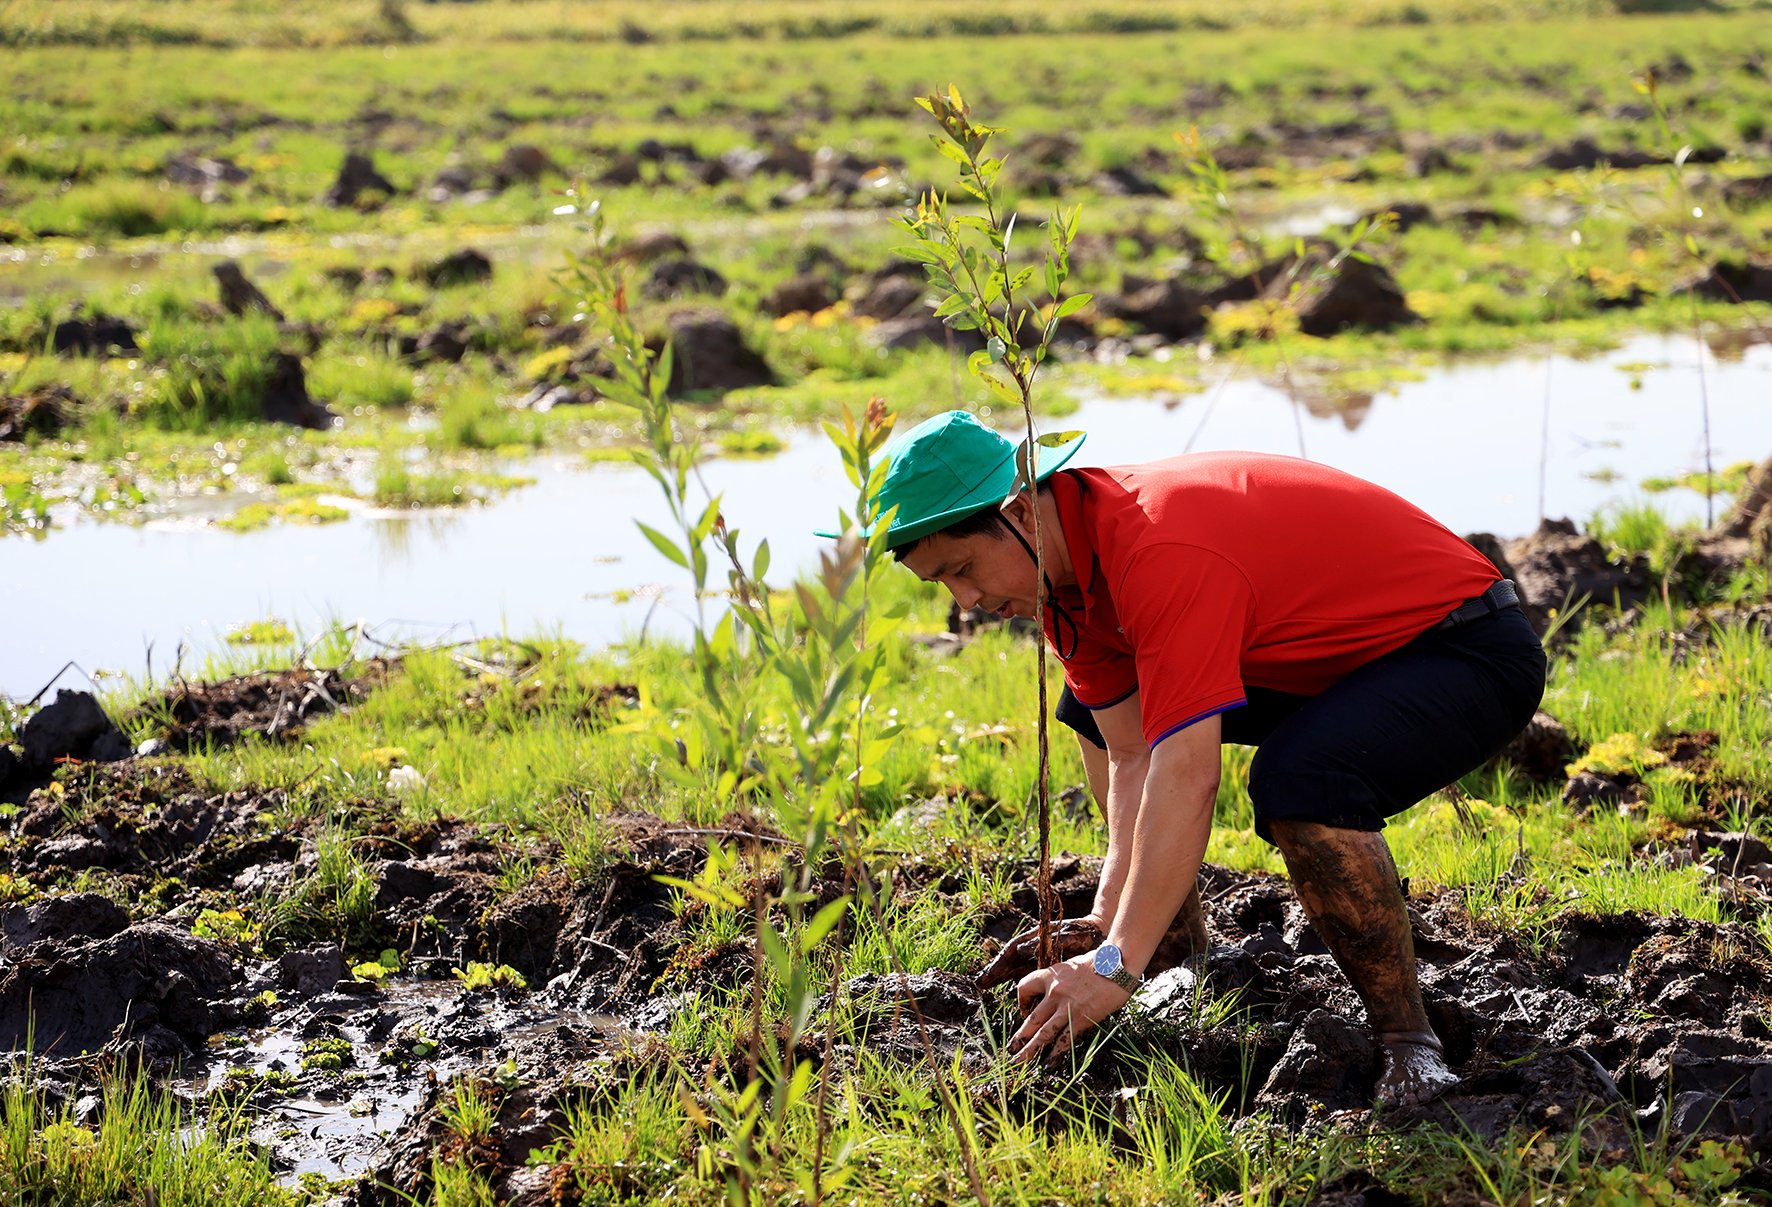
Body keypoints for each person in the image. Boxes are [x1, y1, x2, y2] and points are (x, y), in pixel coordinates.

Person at [842, 409, 1546, 1107]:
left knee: (1302, 781)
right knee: (1087, 708)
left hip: (1464, 649)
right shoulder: (1061, 580)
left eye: (963, 568)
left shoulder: (1155, 548)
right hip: (1332, 662)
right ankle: (1170, 938)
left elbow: (1187, 771)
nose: (966, 602)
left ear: (1020, 510)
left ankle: (1409, 1043)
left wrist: (1115, 966)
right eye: (941, 585)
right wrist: (1109, 927)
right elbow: (1130, 751)